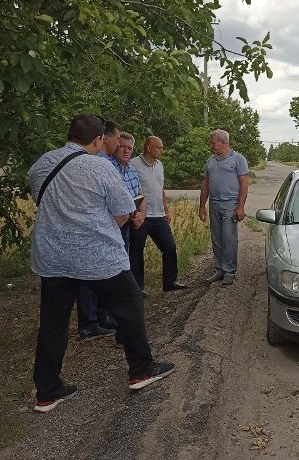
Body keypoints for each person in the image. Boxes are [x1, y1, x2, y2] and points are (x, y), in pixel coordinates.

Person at [28, 115, 174, 412]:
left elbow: (40, 200)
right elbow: (124, 211)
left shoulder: (42, 163)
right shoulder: (100, 166)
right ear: (97, 140)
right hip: (97, 255)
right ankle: (141, 370)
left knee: (53, 321)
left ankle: (47, 391)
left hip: (52, 256)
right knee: (130, 302)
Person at [75, 119, 123, 340]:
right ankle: (90, 324)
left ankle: (98, 319)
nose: (119, 144)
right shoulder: (101, 164)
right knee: (94, 280)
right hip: (98, 234)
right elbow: (122, 209)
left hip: (73, 237)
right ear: (102, 138)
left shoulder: (53, 161)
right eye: (117, 139)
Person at [129, 136, 186, 292]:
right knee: (136, 252)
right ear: (149, 148)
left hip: (158, 216)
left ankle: (170, 282)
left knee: (169, 247)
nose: (162, 150)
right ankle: (137, 288)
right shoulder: (133, 164)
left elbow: (160, 189)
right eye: (159, 147)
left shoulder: (159, 165)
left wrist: (166, 210)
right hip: (141, 216)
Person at [198, 129, 249, 286]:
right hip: (214, 204)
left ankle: (229, 271)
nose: (211, 146)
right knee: (217, 238)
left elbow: (244, 184)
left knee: (228, 238)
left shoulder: (238, 160)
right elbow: (205, 184)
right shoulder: (211, 161)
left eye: (213, 143)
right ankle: (219, 269)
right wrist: (202, 206)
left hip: (230, 205)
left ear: (223, 142)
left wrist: (241, 207)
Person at [111, 132, 146, 251]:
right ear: (116, 147)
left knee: (131, 257)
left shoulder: (132, 170)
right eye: (123, 147)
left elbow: (141, 195)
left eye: (129, 148)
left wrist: (142, 214)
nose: (126, 151)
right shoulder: (108, 167)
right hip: (115, 225)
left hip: (132, 222)